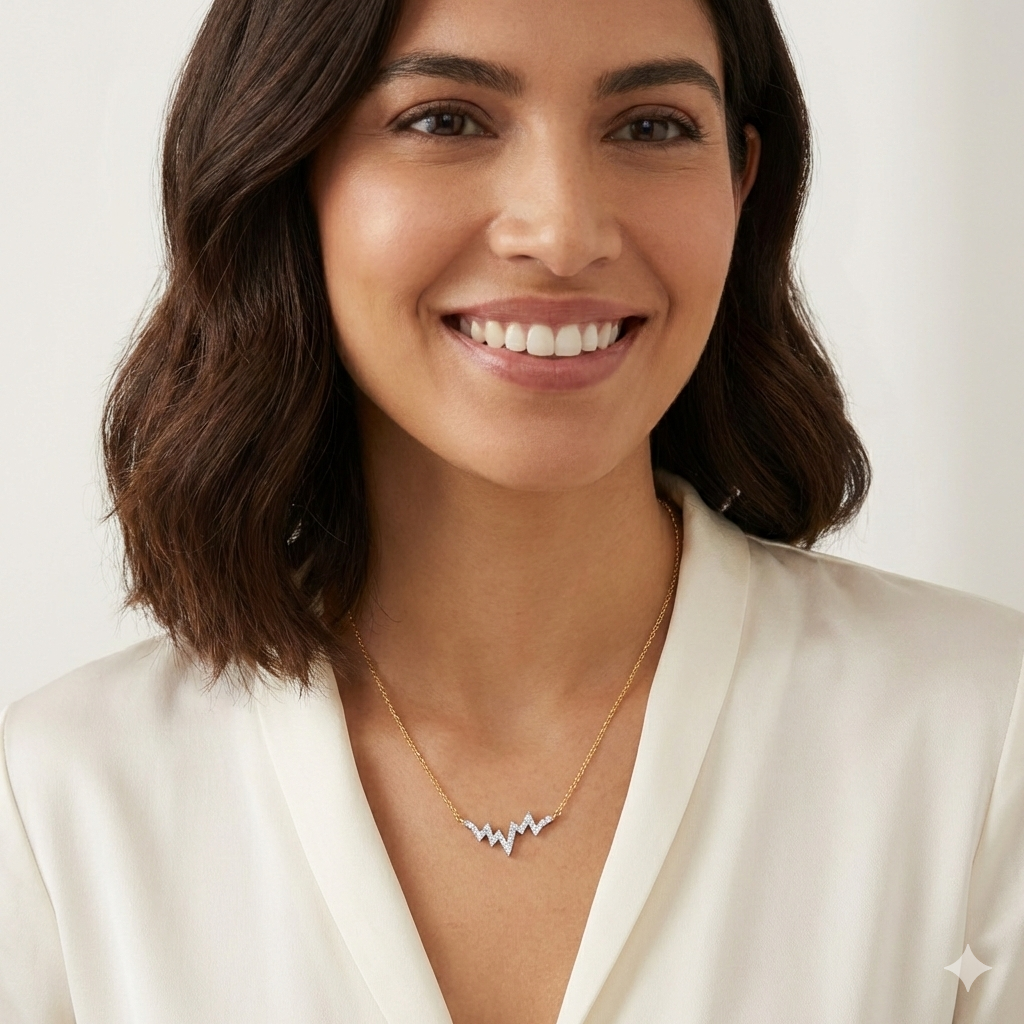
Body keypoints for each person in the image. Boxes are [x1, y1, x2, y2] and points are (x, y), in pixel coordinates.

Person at [2, 0, 1021, 1020]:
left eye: (651, 126)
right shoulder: (55, 809)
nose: (562, 231)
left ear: (742, 183)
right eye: (445, 120)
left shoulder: (986, 745)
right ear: (287, 167)